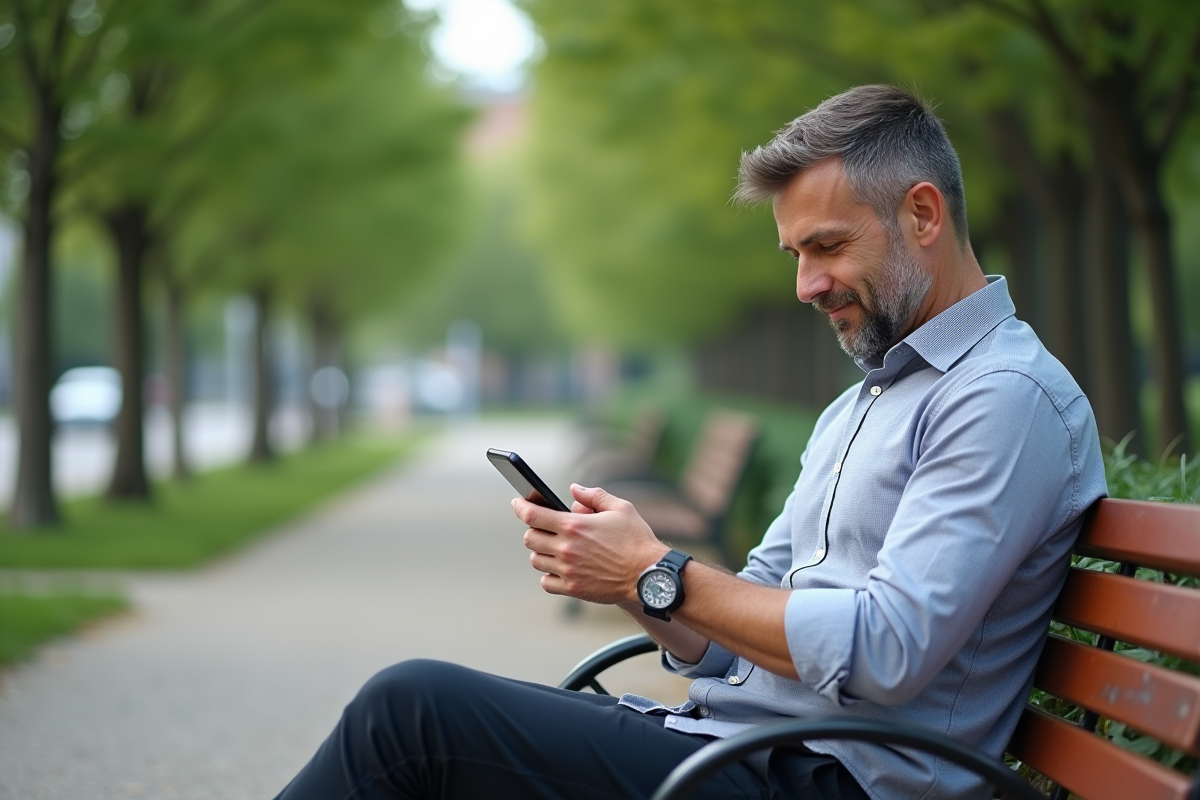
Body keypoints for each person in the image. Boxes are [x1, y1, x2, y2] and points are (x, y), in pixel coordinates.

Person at [273, 85, 1106, 800]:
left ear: (923, 213)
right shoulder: (867, 401)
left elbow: (889, 652)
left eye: (827, 246)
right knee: (423, 724)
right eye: (795, 253)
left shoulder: (1002, 399)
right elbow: (742, 623)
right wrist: (637, 585)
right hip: (744, 748)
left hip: (828, 778)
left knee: (412, 713)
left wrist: (657, 570)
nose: (805, 284)